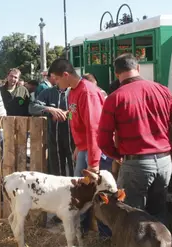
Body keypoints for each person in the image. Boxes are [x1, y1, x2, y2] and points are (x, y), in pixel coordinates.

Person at [97, 53, 172, 225]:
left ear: (117, 74)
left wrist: (118, 155)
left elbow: (102, 140)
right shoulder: (162, 90)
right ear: (138, 68)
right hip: (164, 162)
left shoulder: (115, 98)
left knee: (131, 220)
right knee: (158, 216)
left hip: (135, 164)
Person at [48, 58, 109, 236]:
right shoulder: (73, 91)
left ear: (66, 75)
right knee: (80, 191)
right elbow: (77, 120)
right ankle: (80, 228)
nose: (56, 83)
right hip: (84, 149)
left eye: (57, 79)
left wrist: (94, 162)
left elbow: (93, 128)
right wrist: (79, 146)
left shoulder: (87, 93)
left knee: (98, 191)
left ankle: (105, 234)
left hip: (94, 151)